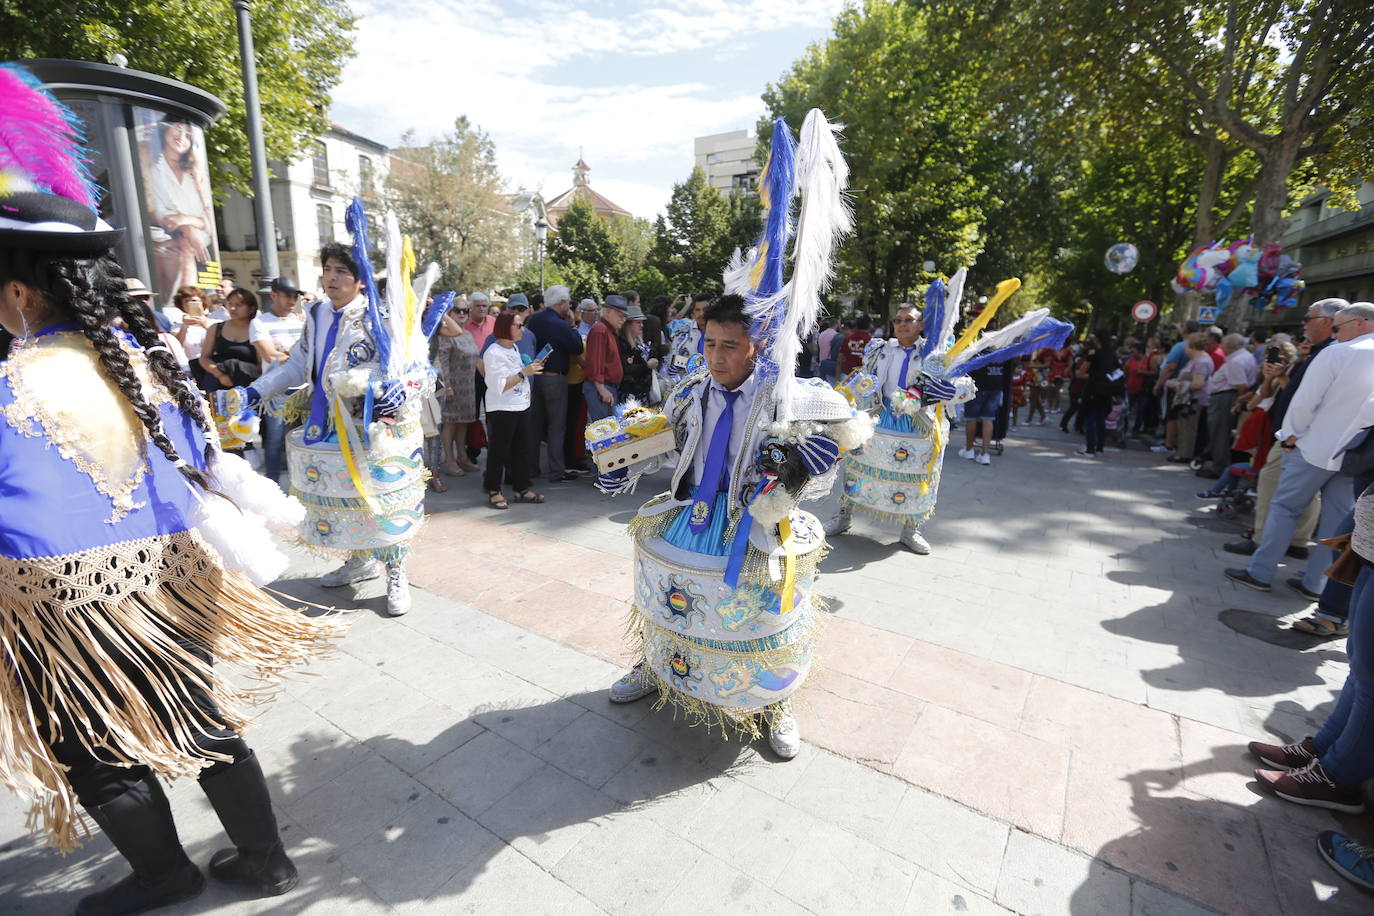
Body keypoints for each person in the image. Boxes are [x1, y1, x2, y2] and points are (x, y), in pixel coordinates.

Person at [0, 65, 342, 915]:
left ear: (17, 292)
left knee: (92, 747)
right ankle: (266, 861)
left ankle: (164, 875)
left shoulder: (13, 385)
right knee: (204, 720)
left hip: (60, 605)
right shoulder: (148, 367)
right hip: (169, 579)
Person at [246, 226, 432, 617]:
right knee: (347, 501)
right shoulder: (315, 313)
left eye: (340, 271)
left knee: (383, 499)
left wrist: (396, 389)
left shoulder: (380, 316)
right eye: (327, 269)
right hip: (328, 424)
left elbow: (420, 367)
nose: (330, 277)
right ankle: (360, 560)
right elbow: (300, 362)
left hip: (376, 428)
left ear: (360, 280)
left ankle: (395, 570)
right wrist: (258, 390)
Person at [1225, 303, 1374, 595]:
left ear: (1358, 323)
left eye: (1337, 327)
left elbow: (1306, 400)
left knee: (1285, 508)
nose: (1334, 334)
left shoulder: (1337, 352)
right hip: (1356, 454)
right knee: (1336, 521)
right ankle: (1315, 585)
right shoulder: (1345, 350)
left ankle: (1261, 572)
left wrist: (1291, 434)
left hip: (1315, 447)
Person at [827, 302, 970, 553]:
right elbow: (866, 379)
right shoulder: (879, 349)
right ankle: (843, 517)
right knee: (857, 469)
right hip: (878, 419)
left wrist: (949, 391)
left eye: (909, 320)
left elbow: (964, 385)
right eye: (899, 320)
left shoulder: (935, 354)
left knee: (920, 479)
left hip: (920, 426)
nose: (902, 324)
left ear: (921, 324)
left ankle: (910, 530)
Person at [1224, 299, 1347, 558]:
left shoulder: (1330, 354)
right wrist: (1277, 374)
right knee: (1304, 494)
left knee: (1275, 489)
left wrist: (1292, 434)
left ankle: (1263, 543)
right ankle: (1295, 542)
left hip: (1299, 436)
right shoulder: (1321, 354)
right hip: (1302, 436)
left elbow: (1310, 400)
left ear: (1327, 322)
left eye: (1308, 319)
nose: (1303, 325)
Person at [482, 309, 545, 509]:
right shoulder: (493, 352)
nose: (522, 329)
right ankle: (493, 490)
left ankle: (521, 488)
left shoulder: (514, 348)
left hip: (521, 405)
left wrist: (530, 368)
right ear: (505, 327)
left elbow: (519, 374)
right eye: (518, 325)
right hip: (502, 408)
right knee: (499, 452)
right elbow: (499, 385)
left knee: (521, 450)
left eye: (522, 324)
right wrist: (524, 372)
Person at [148, 117, 213, 299]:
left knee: (185, 243)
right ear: (165, 131)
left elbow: (207, 218)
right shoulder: (155, 170)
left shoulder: (194, 173)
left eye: (188, 134)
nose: (182, 137)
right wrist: (188, 227)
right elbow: (163, 215)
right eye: (177, 128)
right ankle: (182, 301)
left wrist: (186, 223)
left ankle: (185, 300)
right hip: (166, 235)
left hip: (197, 239)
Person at [526, 284, 585, 482]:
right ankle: (556, 470)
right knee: (556, 426)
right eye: (568, 302)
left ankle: (531, 467)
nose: (569, 305)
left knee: (535, 425)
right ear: (561, 303)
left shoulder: (534, 319)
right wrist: (572, 324)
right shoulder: (561, 325)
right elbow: (576, 347)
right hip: (555, 378)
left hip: (534, 377)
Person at [251, 277, 306, 484]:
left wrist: (287, 353)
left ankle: (302, 483)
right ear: (273, 295)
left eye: (295, 296)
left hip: (304, 389)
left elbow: (310, 355)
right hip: (276, 391)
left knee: (303, 439)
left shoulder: (302, 321)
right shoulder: (259, 322)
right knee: (274, 441)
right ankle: (273, 484)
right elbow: (269, 355)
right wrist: (297, 356)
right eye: (287, 295)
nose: (292, 300)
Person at [1199, 332, 1258, 478]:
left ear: (1230, 345)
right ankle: (1219, 465)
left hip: (1225, 398)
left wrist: (1238, 402)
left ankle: (1219, 468)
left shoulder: (1236, 361)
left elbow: (1241, 385)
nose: (1221, 347)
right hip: (1225, 397)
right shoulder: (1243, 357)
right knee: (1220, 433)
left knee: (1219, 433)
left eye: (1223, 344)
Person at [436, 298, 480, 477]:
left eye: (465, 310)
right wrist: (447, 387)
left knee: (463, 423)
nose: (462, 314)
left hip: (468, 386)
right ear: (449, 313)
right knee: (450, 424)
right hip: (453, 385)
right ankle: (450, 460)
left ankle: (462, 457)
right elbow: (443, 363)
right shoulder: (446, 335)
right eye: (457, 310)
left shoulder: (467, 334)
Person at [199, 288, 269, 394]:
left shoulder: (257, 329)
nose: (232, 308)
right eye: (230, 303)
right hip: (217, 383)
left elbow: (261, 365)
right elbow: (204, 358)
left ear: (251, 308)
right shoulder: (216, 328)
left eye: (239, 305)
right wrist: (220, 375)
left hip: (248, 384)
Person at [1074, 331, 1120, 458]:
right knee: (1101, 419)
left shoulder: (1094, 354)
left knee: (1090, 419)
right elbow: (1117, 372)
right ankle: (1099, 448)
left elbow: (1080, 373)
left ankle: (1090, 449)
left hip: (1093, 389)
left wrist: (1093, 376)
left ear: (1097, 340)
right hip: (1107, 391)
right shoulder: (1112, 355)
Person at [584, 293, 629, 421]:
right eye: (621, 315)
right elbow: (595, 363)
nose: (623, 319)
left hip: (605, 388)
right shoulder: (600, 330)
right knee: (604, 431)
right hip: (601, 388)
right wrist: (602, 389)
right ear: (608, 312)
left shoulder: (606, 330)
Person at [961, 360, 1008, 464]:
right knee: (988, 418)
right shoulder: (1002, 347)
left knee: (971, 418)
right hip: (996, 385)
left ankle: (969, 450)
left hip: (979, 385)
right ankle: (985, 454)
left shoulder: (979, 346)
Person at [662, 292, 710, 387]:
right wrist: (692, 364)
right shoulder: (682, 331)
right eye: (698, 310)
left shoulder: (722, 332)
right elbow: (672, 360)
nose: (701, 314)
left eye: (705, 309)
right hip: (686, 387)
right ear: (693, 312)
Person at [618, 303, 658, 402]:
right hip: (630, 394)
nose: (642, 326)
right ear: (628, 324)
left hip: (641, 392)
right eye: (638, 323)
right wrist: (647, 365)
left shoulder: (638, 342)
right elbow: (626, 369)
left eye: (642, 322)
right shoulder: (622, 344)